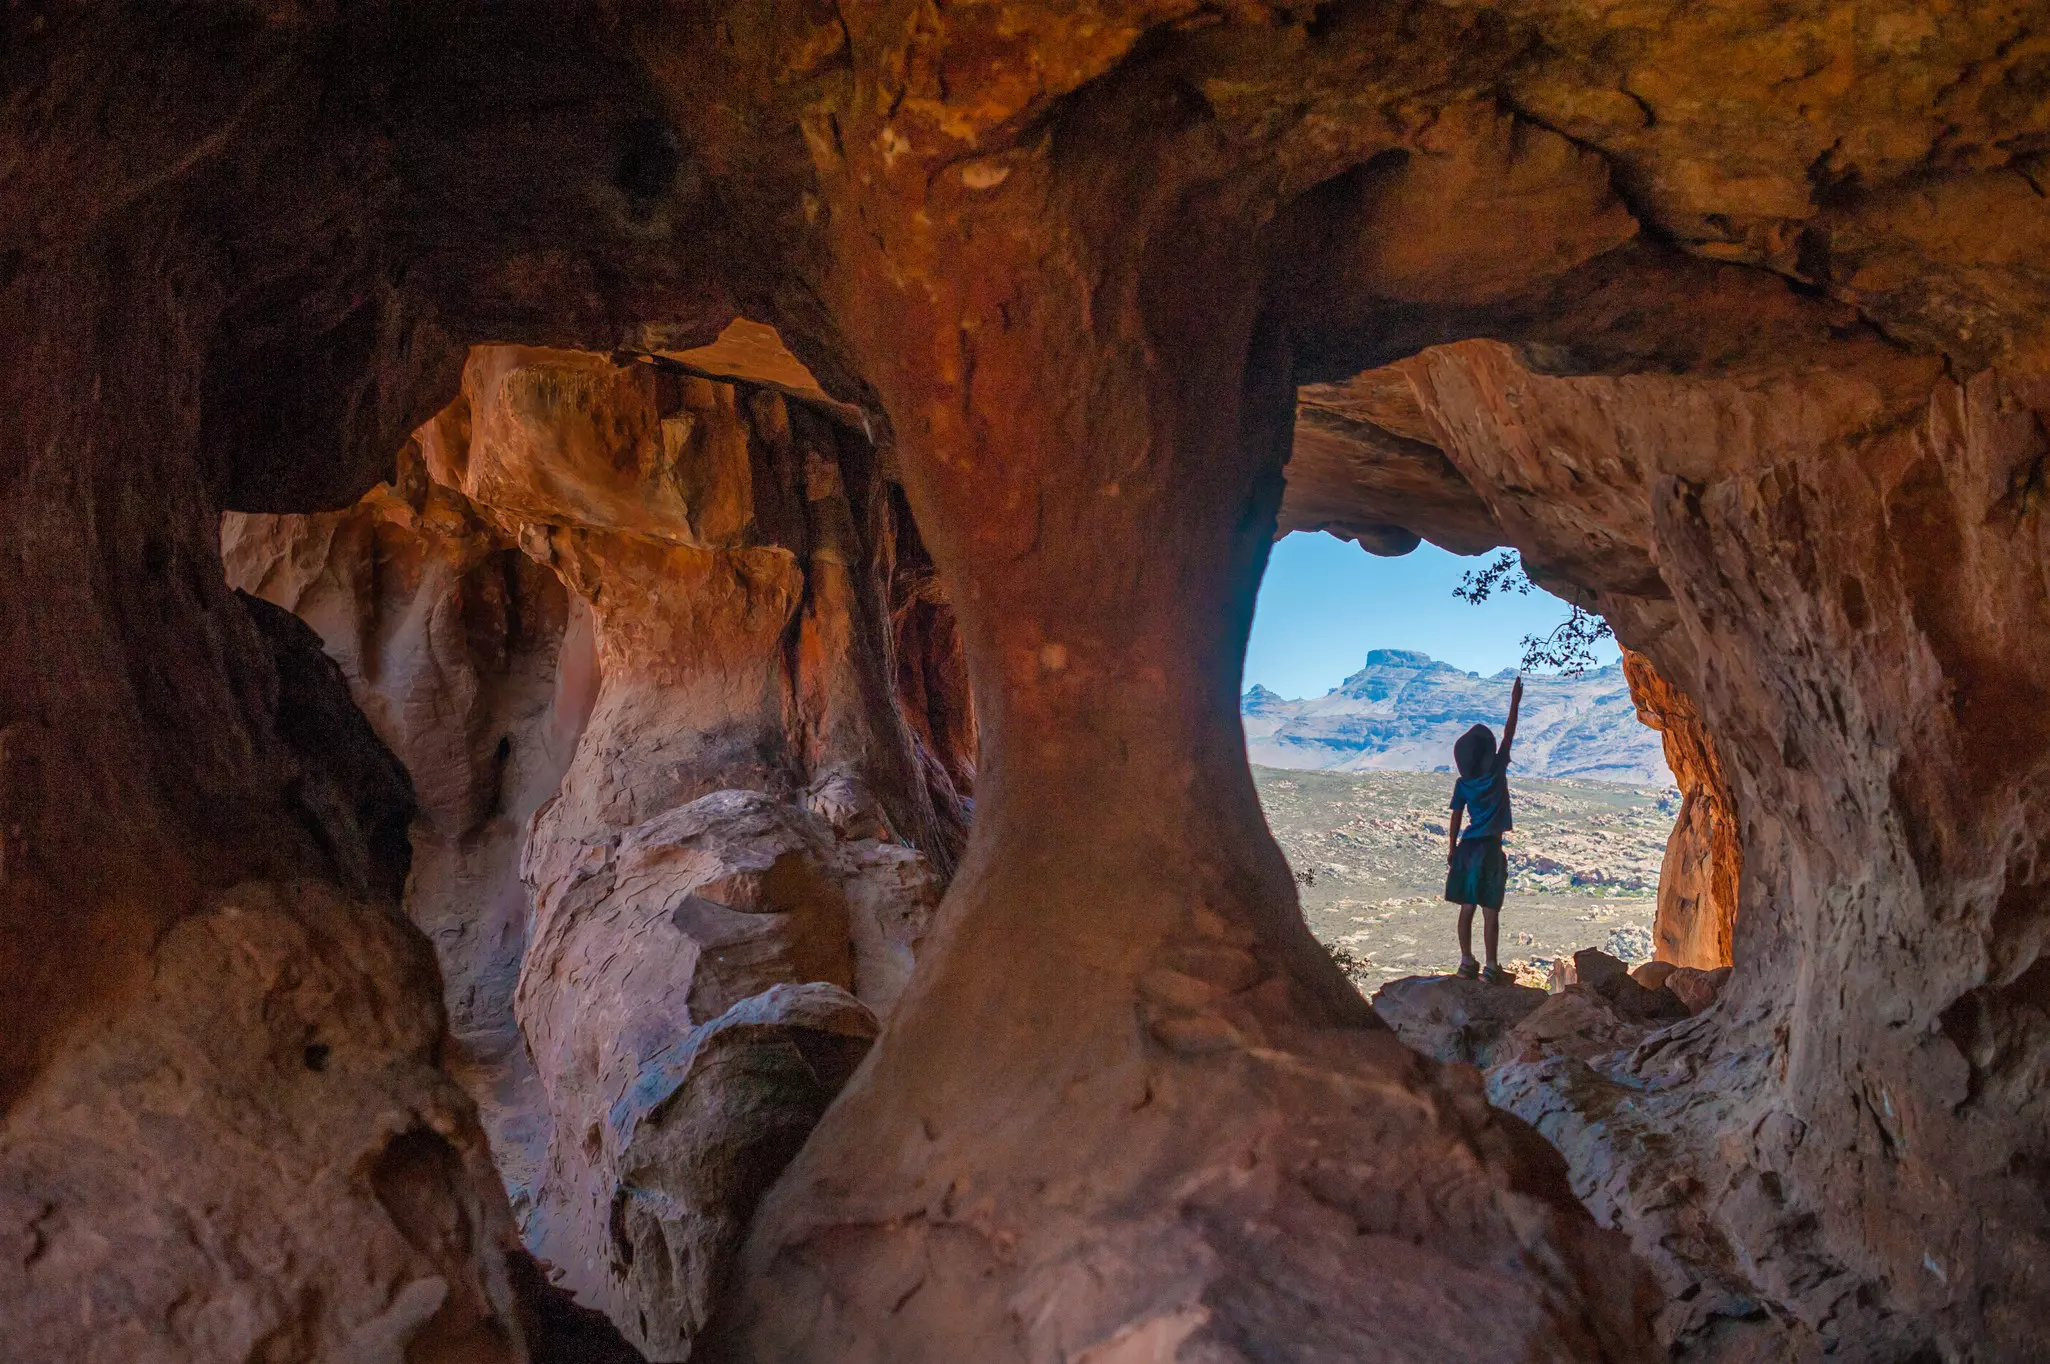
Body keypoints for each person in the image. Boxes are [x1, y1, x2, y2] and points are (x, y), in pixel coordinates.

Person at [1445, 675, 1523, 984]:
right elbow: (1509, 733)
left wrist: (1451, 849)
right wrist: (1515, 701)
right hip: (1490, 847)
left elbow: (1455, 815)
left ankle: (1466, 961)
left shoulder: (1464, 784)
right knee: (1491, 909)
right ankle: (1491, 966)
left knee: (1467, 907)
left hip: (1466, 848)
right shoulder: (1497, 771)